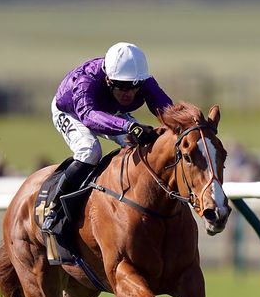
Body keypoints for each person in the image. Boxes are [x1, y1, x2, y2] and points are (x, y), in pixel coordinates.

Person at [43, 42, 173, 233]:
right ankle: (54, 208)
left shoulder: (144, 81)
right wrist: (129, 125)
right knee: (90, 151)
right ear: (109, 80)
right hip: (72, 111)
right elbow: (88, 115)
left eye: (134, 86)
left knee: (141, 144)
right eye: (121, 86)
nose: (128, 93)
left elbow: (167, 110)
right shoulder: (85, 80)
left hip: (109, 110)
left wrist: (185, 124)